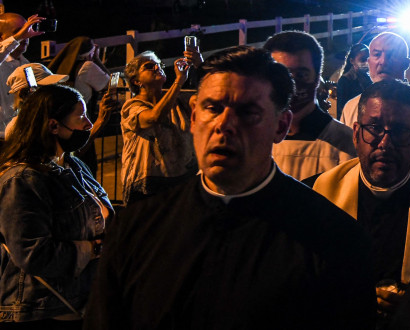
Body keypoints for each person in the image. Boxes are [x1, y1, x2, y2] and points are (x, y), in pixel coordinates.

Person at [84, 46, 376, 329]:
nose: (224, 125)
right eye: (213, 108)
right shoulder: (136, 228)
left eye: (248, 112)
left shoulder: (334, 238)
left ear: (280, 126)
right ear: (195, 116)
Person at [314, 80, 410, 327]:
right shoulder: (321, 193)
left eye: (401, 131)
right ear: (356, 133)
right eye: (374, 127)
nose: (385, 143)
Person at [0, 85, 112, 323]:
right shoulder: (23, 179)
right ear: (53, 125)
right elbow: (33, 253)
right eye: (81, 117)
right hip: (42, 310)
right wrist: (96, 249)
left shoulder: (73, 165)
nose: (89, 124)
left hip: (79, 302)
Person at [340, 32, 410, 178]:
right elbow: (344, 161)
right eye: (377, 54)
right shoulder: (352, 107)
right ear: (368, 62)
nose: (384, 61)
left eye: (392, 55)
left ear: (406, 64)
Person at [263, 31, 356, 182]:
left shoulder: (347, 145)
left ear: (317, 78)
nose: (291, 85)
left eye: (301, 75)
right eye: (282, 74)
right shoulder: (251, 140)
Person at [120, 50, 199, 203]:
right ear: (136, 81)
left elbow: (205, 98)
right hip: (148, 187)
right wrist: (178, 82)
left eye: (159, 65)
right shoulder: (132, 107)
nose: (157, 68)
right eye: (149, 66)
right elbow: (154, 117)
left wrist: (199, 65)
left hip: (181, 180)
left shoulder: (178, 100)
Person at [0, 13, 47, 135]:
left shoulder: (25, 64)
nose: (25, 36)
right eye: (19, 31)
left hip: (18, 134)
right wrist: (17, 38)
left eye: (27, 30)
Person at [47, 37, 110, 109]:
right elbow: (109, 84)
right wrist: (97, 59)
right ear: (89, 54)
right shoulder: (87, 66)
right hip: (80, 113)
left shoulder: (62, 65)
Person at [333, 43, 371, 116]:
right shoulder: (345, 80)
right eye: (363, 60)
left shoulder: (369, 78)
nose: (367, 63)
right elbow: (342, 109)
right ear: (352, 61)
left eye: (368, 59)